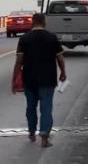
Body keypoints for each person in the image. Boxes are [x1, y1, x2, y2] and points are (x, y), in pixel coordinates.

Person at [11, 13, 66, 147]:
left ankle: (31, 132)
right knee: (46, 108)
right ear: (44, 22)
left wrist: (14, 79)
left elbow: (19, 62)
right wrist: (63, 72)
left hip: (29, 79)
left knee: (31, 107)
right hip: (48, 79)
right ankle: (44, 137)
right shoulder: (52, 38)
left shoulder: (24, 38)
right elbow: (60, 58)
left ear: (33, 22)